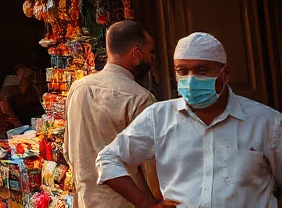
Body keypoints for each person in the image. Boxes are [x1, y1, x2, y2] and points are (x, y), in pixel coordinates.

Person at [97, 32, 282, 208]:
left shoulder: (266, 122)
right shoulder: (159, 117)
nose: (191, 79)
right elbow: (109, 158)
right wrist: (144, 202)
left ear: (225, 73)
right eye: (182, 71)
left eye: (202, 71)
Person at [65, 20, 159, 208]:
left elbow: (68, 151)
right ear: (135, 54)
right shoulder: (140, 98)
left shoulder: (78, 88)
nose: (152, 60)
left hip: (85, 201)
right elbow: (154, 173)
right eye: (150, 52)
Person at [0, 67, 41, 137]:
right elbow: (11, 119)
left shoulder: (10, 97)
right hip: (3, 131)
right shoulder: (6, 98)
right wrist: (20, 126)